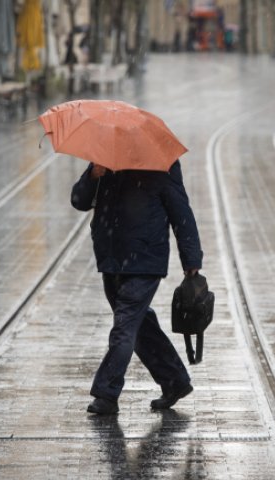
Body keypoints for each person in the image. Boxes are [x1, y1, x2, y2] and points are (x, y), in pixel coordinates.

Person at [71, 160, 203, 415]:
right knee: (138, 324)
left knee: (125, 326)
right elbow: (79, 200)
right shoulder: (105, 156)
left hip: (145, 259)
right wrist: (93, 175)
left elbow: (180, 211)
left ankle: (106, 393)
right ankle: (175, 381)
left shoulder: (162, 162)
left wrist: (191, 260)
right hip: (111, 258)